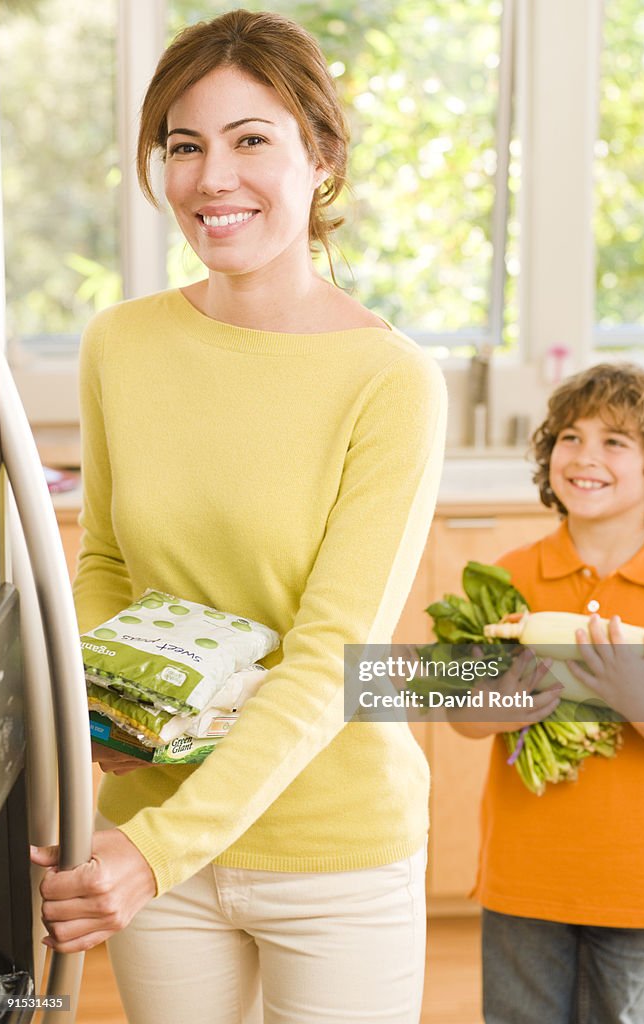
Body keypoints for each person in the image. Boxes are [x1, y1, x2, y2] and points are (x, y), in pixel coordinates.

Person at [30, 10, 446, 1024]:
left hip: (329, 848)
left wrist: (152, 852)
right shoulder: (120, 345)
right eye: (183, 145)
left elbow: (330, 654)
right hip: (146, 825)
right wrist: (101, 724)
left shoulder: (389, 382)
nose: (212, 178)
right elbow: (113, 565)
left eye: (250, 138)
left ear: (321, 156)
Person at [451, 363, 644, 1024]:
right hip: (522, 877)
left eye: (615, 442)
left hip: (636, 881)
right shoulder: (511, 577)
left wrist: (640, 697)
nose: (583, 456)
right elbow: (459, 713)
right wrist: (507, 700)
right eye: (570, 437)